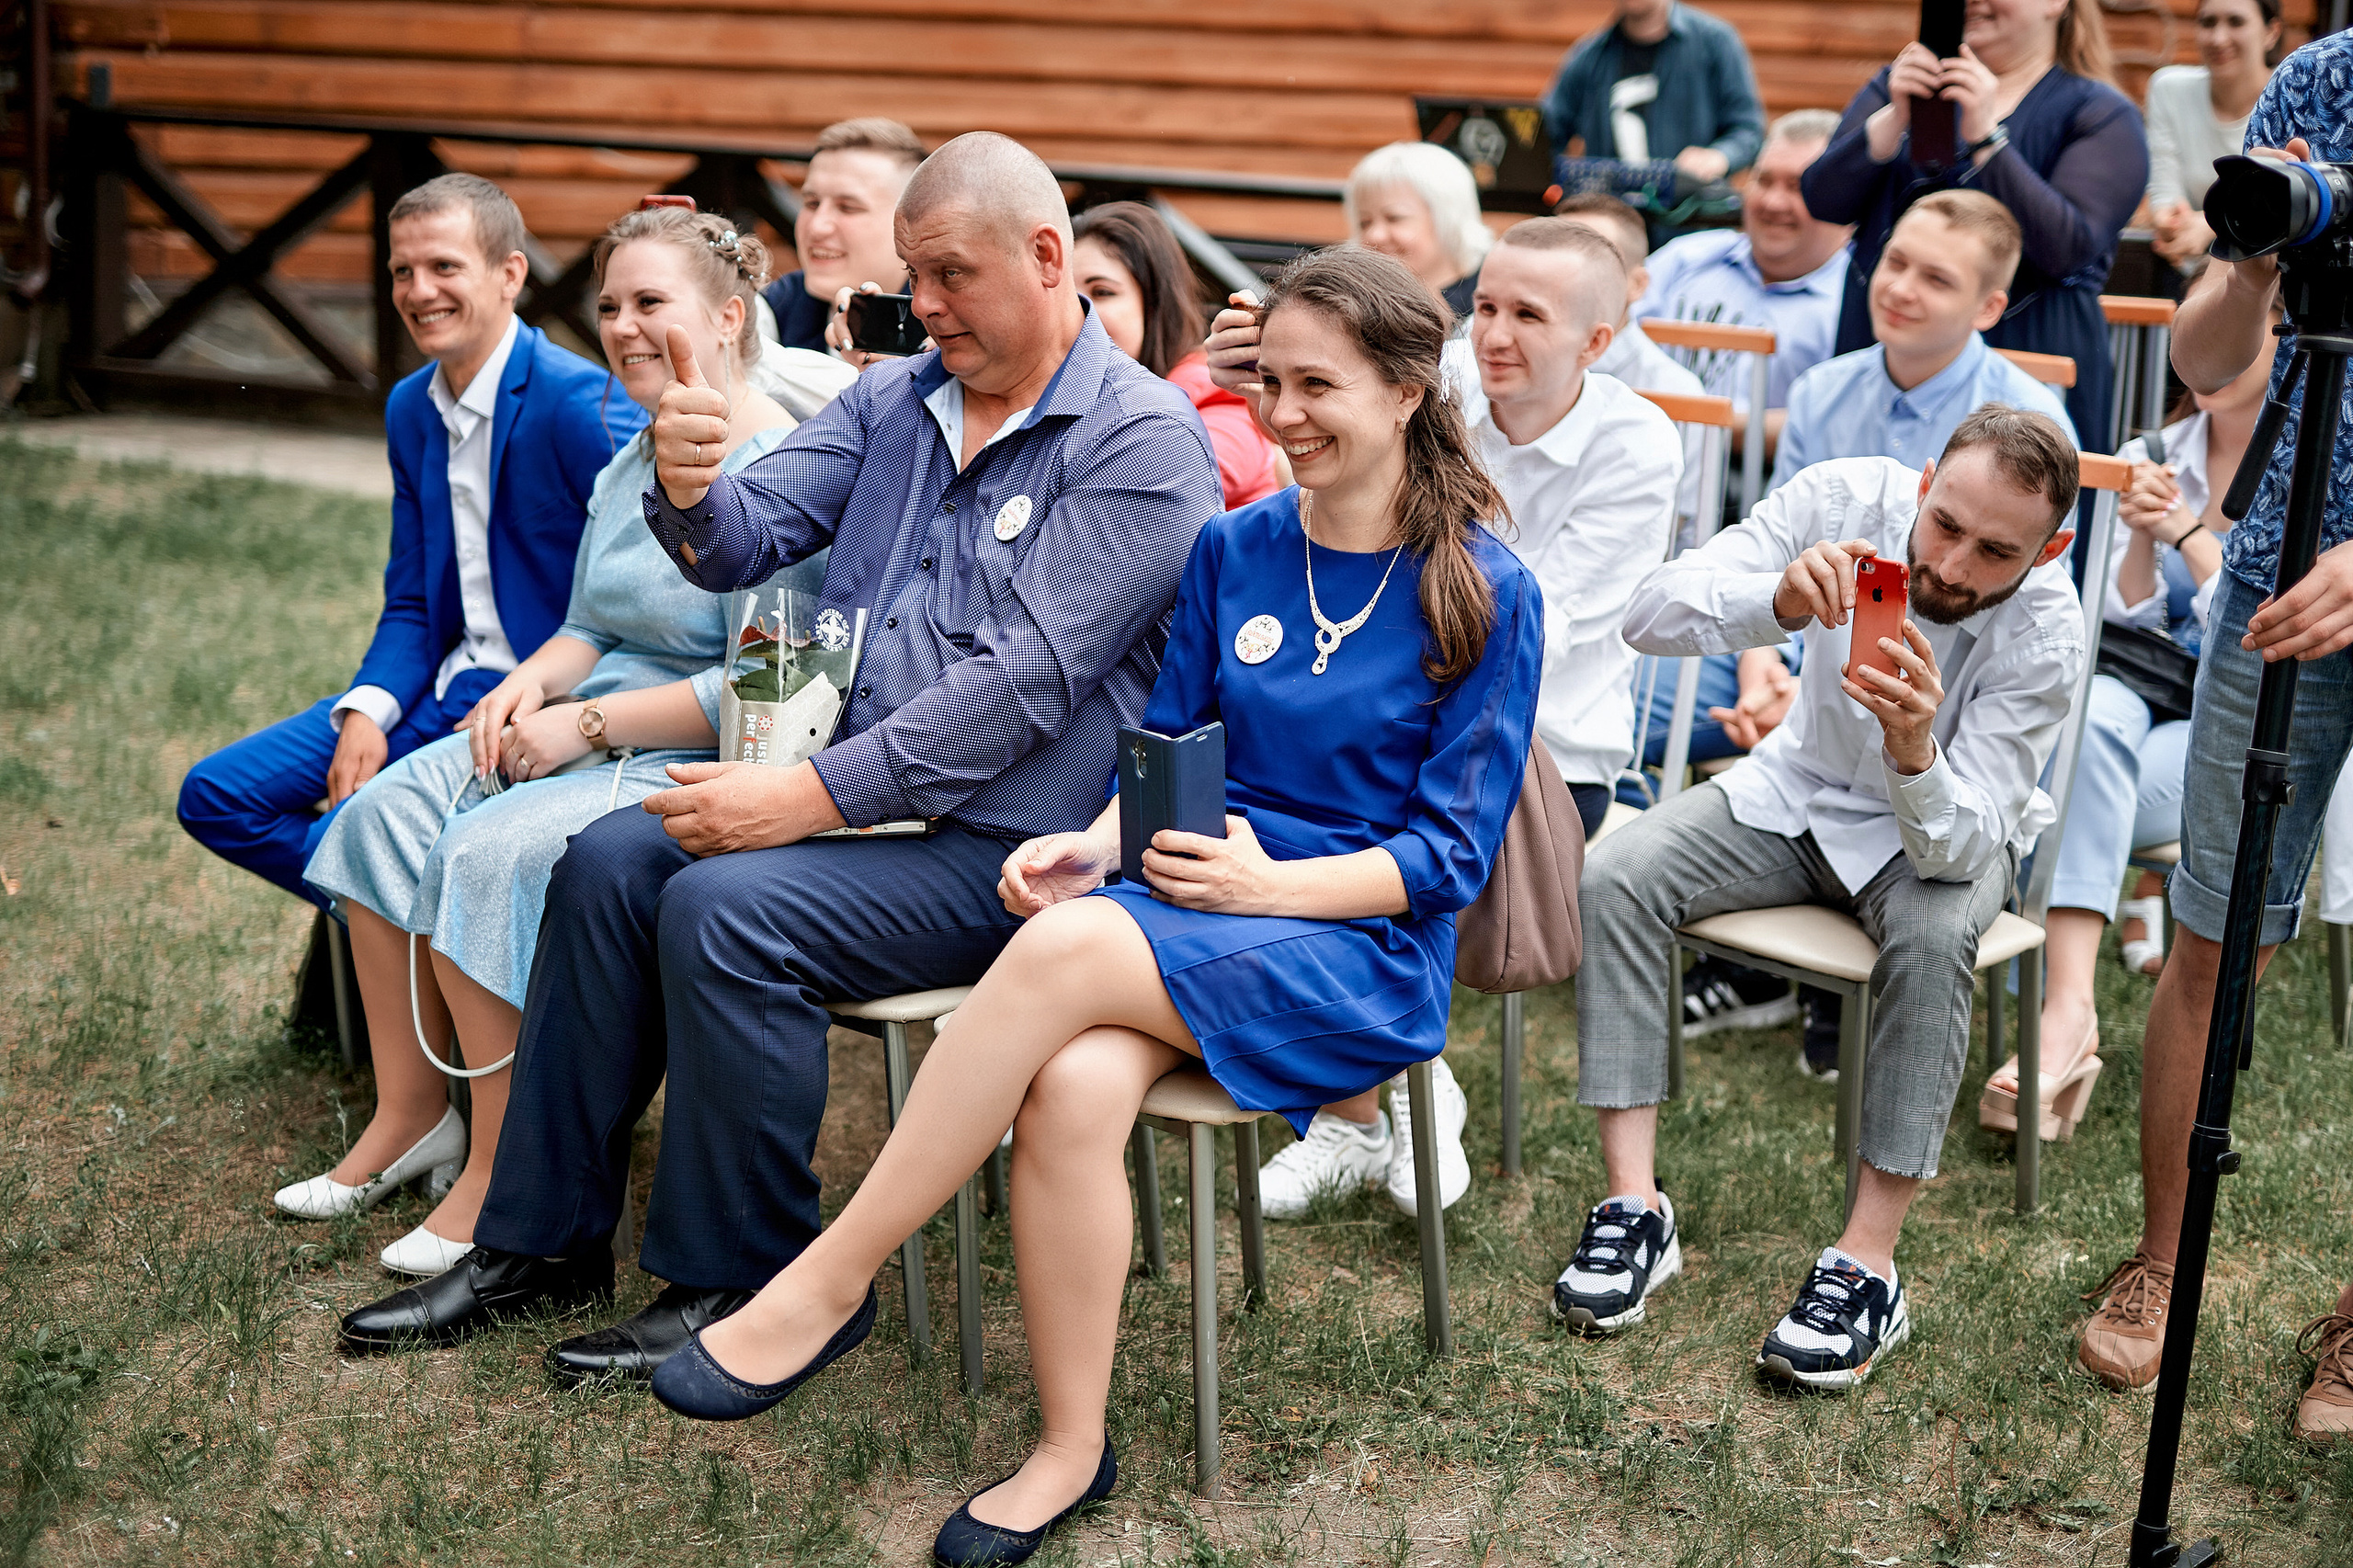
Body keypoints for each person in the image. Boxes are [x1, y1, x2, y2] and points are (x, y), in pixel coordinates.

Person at [643, 246, 1545, 1568]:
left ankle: (827, 1278)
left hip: (1354, 940)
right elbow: (1167, 749)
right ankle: (1070, 1447)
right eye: (1272, 381)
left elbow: (1448, 858)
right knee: (1071, 1084)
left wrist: (1267, 885)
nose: (1284, 413)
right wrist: (1090, 841)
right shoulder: (1237, 547)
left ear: (1408, 391)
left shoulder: (1486, 589)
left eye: (1319, 386)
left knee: (1066, 948)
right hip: (1193, 902)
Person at [331, 133, 1224, 1386]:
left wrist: (801, 798)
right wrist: (692, 478)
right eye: (913, 276)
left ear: (1044, 255)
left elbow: (1021, 686)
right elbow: (746, 537)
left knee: (726, 907)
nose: (923, 305)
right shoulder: (899, 399)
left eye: (951, 275)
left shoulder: (1141, 439)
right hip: (865, 811)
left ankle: (742, 1278)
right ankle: (540, 1242)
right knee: (607, 864)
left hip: (1020, 855)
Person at [286, 208, 805, 1277]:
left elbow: (774, 686)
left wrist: (587, 723)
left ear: (728, 316)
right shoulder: (634, 456)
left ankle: (498, 1164)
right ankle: (409, 1114)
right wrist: (531, 682)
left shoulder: (789, 467)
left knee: (484, 852)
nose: (622, 326)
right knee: (381, 816)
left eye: (650, 302)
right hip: (583, 715)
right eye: (609, 305)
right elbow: (590, 623)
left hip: (687, 748)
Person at [1557, 406, 2084, 1390]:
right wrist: (1776, 601)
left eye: (1995, 551)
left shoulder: (2047, 629)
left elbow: (1966, 839)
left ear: (2048, 550)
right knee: (1614, 875)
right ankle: (1635, 1207)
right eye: (1944, 523)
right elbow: (1649, 613)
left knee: (1932, 942)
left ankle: (1866, 1264)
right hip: (1790, 794)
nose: (1952, 565)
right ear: (1923, 482)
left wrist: (1913, 750)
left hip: (1933, 838)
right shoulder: (1841, 497)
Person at [1200, 222, 1678, 1221]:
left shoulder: (1634, 442)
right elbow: (1332, 494)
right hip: (1378, 709)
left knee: (1363, 803)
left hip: (1547, 750)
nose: (1493, 334)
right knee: (1329, 778)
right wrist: (1265, 369)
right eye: (1485, 306)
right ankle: (1370, 1090)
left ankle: (1388, 1067)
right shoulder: (1435, 379)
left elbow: (1542, 629)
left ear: (1596, 342)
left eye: (1528, 315)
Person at [2075, 33, 2353, 1436]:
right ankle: (2162, 1263)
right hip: (2274, 568)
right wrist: (2251, 259)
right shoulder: (2320, 80)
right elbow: (2203, 360)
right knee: (2211, 925)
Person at [176, 174, 642, 906]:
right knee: (218, 795)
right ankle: (392, 906)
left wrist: (571, 706)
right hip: (440, 681)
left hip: (528, 697)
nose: (420, 291)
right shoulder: (409, 408)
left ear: (509, 274)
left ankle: (387, 903)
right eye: (402, 271)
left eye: (444, 266)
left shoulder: (580, 404)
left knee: (353, 830)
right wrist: (369, 708)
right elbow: (413, 599)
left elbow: (640, 589)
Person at [1802, 0, 2146, 464]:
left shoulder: (2101, 112)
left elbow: (2068, 246)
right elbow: (1823, 202)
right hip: (1885, 354)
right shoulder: (1898, 84)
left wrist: (1986, 137)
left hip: (2029, 353)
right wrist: (1895, 117)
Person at [1773, 191, 2077, 491]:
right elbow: (1780, 522)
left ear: (1988, 308)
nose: (1900, 290)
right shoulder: (1817, 393)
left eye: (1937, 279)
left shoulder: (2030, 427)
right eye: (1895, 262)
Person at [1633, 108, 1853, 467]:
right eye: (1763, 181)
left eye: (1798, 186)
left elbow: (1841, 422)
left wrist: (1698, 421)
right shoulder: (1684, 259)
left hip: (1766, 484)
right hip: (1639, 460)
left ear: (1846, 197)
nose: (1773, 202)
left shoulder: (1860, 299)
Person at [1072, 201, 1280, 509]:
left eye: (1102, 292)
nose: (1077, 310)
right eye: (1065, 294)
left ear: (1155, 305)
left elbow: (1152, 487)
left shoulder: (1221, 398)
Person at [1552, 194, 1708, 540]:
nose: (1564, 277)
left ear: (1637, 284)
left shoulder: (1676, 390)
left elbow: (1675, 523)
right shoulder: (1497, 356)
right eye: (1554, 258)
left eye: (1592, 261)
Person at [1540, 0, 1766, 195]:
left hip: (1688, 217)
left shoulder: (1715, 43)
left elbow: (1749, 130)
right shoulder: (1589, 56)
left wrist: (1719, 157)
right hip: (1610, 218)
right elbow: (1546, 134)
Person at [760, 118, 925, 352]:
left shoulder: (949, 325)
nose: (817, 227)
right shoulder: (776, 305)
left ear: (914, 224)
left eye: (848, 207)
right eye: (812, 203)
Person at [2145, 0, 2282, 280]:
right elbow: (2164, 192)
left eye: (2236, 22)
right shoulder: (2169, 89)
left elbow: (2286, 206)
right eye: (2208, 23)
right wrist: (2170, 220)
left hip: (2271, 275)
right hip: (2184, 267)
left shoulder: (2292, 98)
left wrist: (2210, 226)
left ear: (2271, 33)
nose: (2218, 39)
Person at [1344, 142, 1494, 320]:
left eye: (1394, 218)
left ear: (1448, 218)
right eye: (1364, 223)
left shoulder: (1491, 308)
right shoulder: (1350, 309)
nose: (1374, 235)